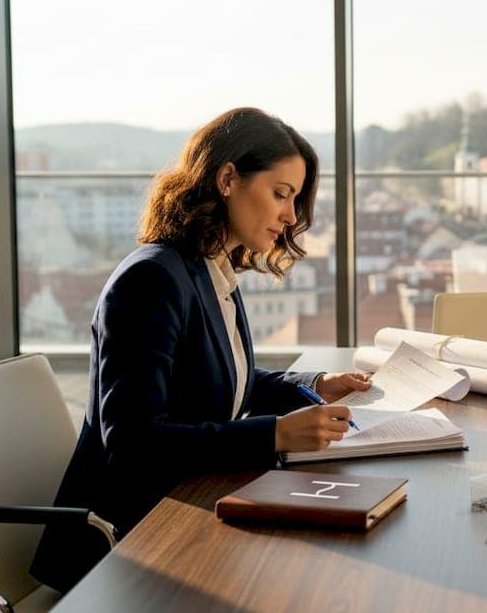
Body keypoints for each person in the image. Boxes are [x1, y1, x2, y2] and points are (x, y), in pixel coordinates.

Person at [30, 107, 371, 591]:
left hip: (188, 503)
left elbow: (226, 381)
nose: (291, 217)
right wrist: (273, 434)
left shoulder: (208, 269)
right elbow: (132, 444)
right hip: (131, 542)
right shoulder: (152, 279)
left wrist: (315, 385)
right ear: (228, 178)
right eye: (280, 194)